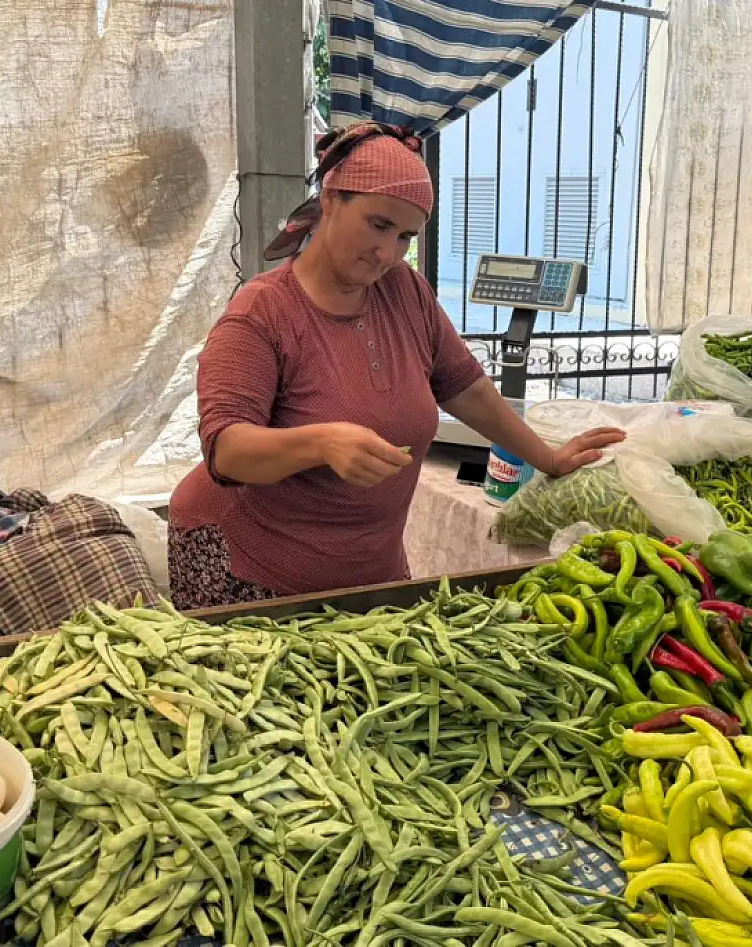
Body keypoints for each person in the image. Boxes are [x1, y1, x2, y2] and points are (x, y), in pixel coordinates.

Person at [169, 123, 624, 609]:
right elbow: (227, 451)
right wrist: (322, 442)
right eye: (378, 224)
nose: (387, 253)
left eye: (405, 235)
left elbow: (465, 387)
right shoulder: (262, 313)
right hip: (247, 568)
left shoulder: (404, 290)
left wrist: (548, 458)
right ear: (331, 199)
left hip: (368, 573)